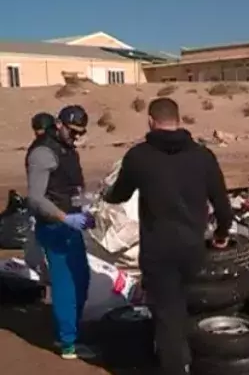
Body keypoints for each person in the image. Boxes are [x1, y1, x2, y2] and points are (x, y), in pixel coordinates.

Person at [103, 97, 234, 375]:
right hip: (193, 249)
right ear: (179, 120)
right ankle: (190, 359)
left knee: (167, 315)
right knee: (186, 306)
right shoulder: (203, 156)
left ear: (151, 121)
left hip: (158, 250)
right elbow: (223, 206)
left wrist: (107, 193)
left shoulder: (138, 156)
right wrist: (221, 235)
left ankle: (176, 365)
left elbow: (120, 194)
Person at [26, 105, 95, 360]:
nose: (76, 137)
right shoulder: (43, 153)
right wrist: (66, 217)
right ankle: (68, 343)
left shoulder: (67, 150)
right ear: (59, 124)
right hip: (55, 226)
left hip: (70, 223)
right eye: (73, 131)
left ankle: (73, 332)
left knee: (82, 279)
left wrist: (85, 208)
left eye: (80, 133)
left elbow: (71, 186)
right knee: (66, 284)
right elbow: (35, 197)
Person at [24, 113, 56, 278]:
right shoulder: (52, 147)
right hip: (50, 206)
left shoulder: (37, 148)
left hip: (44, 206)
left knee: (42, 253)